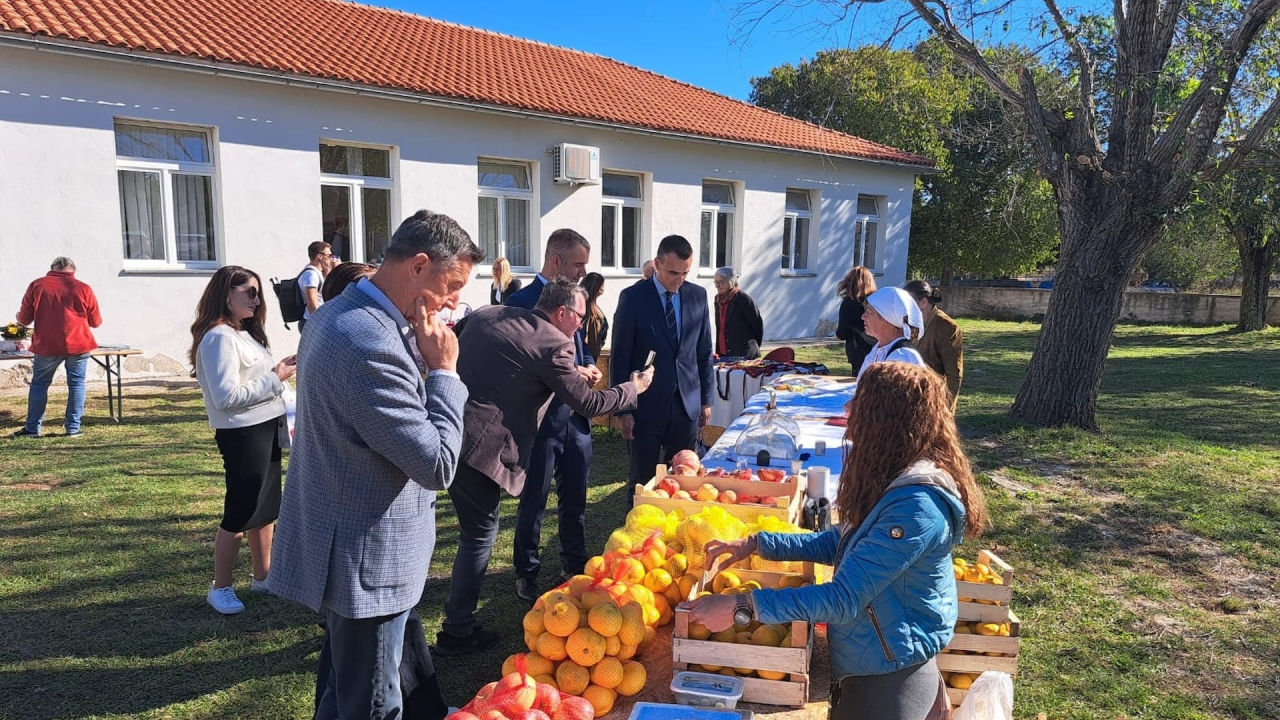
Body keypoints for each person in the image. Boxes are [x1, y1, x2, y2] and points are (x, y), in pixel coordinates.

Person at [683, 362, 988, 720]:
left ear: (887, 419)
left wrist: (743, 606)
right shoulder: (896, 479)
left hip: (890, 681)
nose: (846, 410)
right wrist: (757, 544)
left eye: (859, 402)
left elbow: (843, 599)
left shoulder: (916, 508)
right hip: (868, 664)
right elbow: (840, 542)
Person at [269, 210, 482, 720]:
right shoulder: (369, 340)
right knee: (371, 703)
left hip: (346, 542)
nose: (454, 302)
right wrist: (445, 373)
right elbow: (436, 464)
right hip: (367, 556)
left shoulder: (339, 313)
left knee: (343, 687)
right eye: (451, 285)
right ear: (419, 266)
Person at [440, 279, 652, 652]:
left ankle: (456, 622)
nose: (582, 327)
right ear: (562, 313)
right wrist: (634, 388)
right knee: (478, 537)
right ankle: (457, 629)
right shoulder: (555, 343)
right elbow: (589, 405)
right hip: (480, 449)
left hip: (445, 431)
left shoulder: (488, 315)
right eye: (580, 318)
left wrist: (570, 375)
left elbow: (506, 365)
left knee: (469, 533)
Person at [189, 265, 296, 615]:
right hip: (241, 432)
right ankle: (220, 587)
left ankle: (263, 576)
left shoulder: (244, 333)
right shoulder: (219, 336)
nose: (257, 298)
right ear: (226, 294)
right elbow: (225, 396)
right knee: (240, 510)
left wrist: (277, 374)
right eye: (248, 291)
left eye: (258, 292)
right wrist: (275, 378)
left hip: (264, 427)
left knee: (265, 508)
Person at [505, 229, 599, 603]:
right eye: (578, 264)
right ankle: (526, 572)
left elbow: (581, 345)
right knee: (535, 499)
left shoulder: (577, 297)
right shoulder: (521, 301)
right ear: (556, 261)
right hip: (540, 421)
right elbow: (516, 361)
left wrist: (588, 366)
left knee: (575, 496)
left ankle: (574, 561)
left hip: (575, 417)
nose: (582, 272)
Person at [611, 235, 714, 504]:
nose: (678, 279)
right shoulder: (633, 298)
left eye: (685, 273)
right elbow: (620, 356)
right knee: (642, 483)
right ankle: (635, 536)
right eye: (672, 272)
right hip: (645, 409)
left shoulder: (697, 296)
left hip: (686, 407)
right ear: (657, 264)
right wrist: (623, 408)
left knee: (684, 482)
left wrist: (705, 400)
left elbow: (703, 352)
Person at [12, 257, 102, 438]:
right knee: (77, 384)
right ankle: (73, 428)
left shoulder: (37, 285)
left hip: (47, 344)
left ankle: (32, 429)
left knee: (39, 384)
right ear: (73, 270)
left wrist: (19, 318)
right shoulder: (84, 288)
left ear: (51, 268)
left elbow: (24, 319)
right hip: (78, 344)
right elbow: (96, 322)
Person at [905, 281, 964, 406]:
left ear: (923, 302)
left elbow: (954, 374)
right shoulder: (907, 321)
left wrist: (947, 407)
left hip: (932, 396)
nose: (904, 308)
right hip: (907, 393)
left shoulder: (948, 328)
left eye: (907, 303)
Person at [857, 287, 927, 381]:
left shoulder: (903, 357)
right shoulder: (878, 349)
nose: (863, 317)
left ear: (886, 319)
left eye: (869, 312)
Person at [711, 267, 763, 359]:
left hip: (743, 353)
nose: (717, 285)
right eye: (716, 282)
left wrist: (753, 347)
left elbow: (757, 325)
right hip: (723, 353)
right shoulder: (718, 300)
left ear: (731, 282)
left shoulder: (743, 299)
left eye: (721, 282)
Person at [835, 266, 877, 372]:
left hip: (858, 350)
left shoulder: (849, 303)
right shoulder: (876, 301)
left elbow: (842, 333)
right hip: (877, 348)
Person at [298, 241, 336, 332]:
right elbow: (312, 305)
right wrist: (319, 325)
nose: (331, 259)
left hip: (316, 321)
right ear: (320, 256)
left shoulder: (317, 273)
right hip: (312, 322)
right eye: (329, 256)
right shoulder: (311, 275)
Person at [582, 272, 608, 365]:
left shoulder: (593, 307)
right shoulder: (584, 308)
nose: (603, 290)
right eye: (601, 287)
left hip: (593, 352)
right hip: (588, 355)